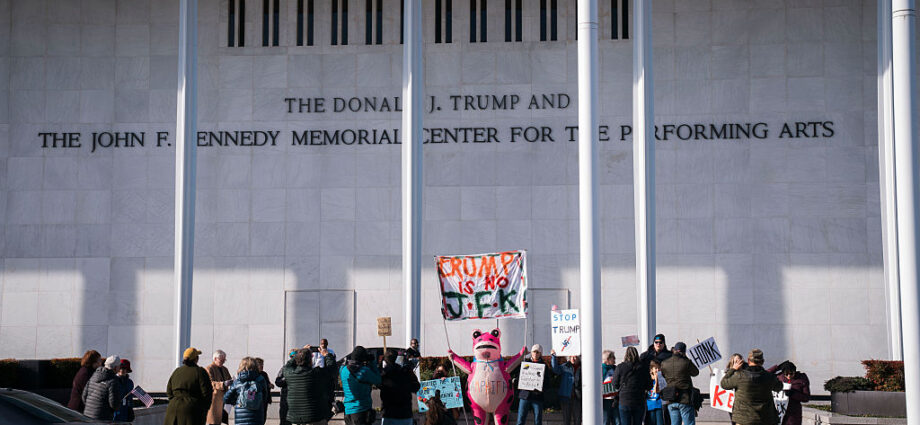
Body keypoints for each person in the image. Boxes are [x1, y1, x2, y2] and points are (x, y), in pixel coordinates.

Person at [720, 349, 783, 425]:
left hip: (743, 420)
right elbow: (779, 387)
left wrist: (733, 369)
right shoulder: (769, 376)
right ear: (762, 361)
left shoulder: (739, 376)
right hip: (766, 419)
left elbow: (724, 383)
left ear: (748, 361)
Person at [283, 347, 336, 425]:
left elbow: (287, 365)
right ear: (311, 361)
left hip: (296, 418)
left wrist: (298, 354)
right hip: (315, 417)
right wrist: (327, 355)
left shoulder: (290, 374)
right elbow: (332, 369)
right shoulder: (316, 374)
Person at [165, 348, 213, 425]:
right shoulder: (200, 372)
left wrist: (174, 401)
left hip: (173, 408)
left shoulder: (177, 371)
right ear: (196, 359)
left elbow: (169, 391)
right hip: (191, 409)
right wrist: (203, 408)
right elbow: (207, 393)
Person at [340, 346, 382, 425]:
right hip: (361, 410)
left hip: (348, 411)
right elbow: (378, 380)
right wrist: (372, 363)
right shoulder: (364, 371)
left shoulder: (343, 370)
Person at [660, 342, 700, 425]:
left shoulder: (664, 363)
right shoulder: (686, 362)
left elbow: (664, 375)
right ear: (683, 352)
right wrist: (686, 359)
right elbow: (695, 372)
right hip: (684, 398)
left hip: (671, 398)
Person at [380, 349, 422, 425]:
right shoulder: (405, 372)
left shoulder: (383, 374)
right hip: (404, 413)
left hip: (389, 414)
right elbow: (416, 386)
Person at [224, 357, 270, 425]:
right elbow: (265, 396)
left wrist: (237, 402)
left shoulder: (238, 381)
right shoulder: (261, 379)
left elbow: (226, 398)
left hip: (241, 417)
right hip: (257, 416)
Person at [612, 346, 652, 425]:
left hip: (624, 400)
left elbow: (614, 383)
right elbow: (649, 385)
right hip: (639, 400)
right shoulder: (643, 367)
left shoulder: (620, 367)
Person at [767, 361, 810, 425]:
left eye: (791, 373)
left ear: (795, 371)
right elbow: (765, 375)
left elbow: (806, 397)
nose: (789, 376)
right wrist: (777, 367)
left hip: (794, 413)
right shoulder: (779, 377)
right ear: (783, 373)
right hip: (779, 411)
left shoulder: (801, 379)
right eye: (786, 374)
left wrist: (793, 394)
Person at [516, 344, 548, 425]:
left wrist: (541, 388)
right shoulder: (525, 363)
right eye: (534, 352)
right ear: (531, 352)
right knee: (520, 419)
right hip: (525, 395)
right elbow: (519, 377)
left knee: (538, 420)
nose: (535, 354)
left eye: (538, 352)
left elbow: (548, 382)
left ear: (541, 353)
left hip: (537, 397)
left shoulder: (544, 366)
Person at [82, 355, 121, 420]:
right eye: (119, 366)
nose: (120, 368)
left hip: (87, 416)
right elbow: (114, 404)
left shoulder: (94, 375)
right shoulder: (113, 381)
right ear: (115, 367)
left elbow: (84, 396)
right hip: (102, 418)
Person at [551, 350, 582, 425]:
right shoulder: (565, 366)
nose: (573, 358)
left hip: (577, 397)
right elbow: (555, 369)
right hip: (566, 397)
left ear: (578, 358)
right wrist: (553, 357)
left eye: (575, 357)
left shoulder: (583, 368)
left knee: (577, 420)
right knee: (566, 420)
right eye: (571, 356)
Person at [205, 350, 232, 425]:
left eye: (224, 360)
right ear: (215, 359)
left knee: (222, 420)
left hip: (224, 399)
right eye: (221, 360)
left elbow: (228, 378)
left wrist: (231, 382)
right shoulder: (209, 368)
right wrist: (222, 384)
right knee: (213, 421)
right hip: (215, 399)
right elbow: (210, 383)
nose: (223, 362)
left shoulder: (224, 369)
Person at [275, 349, 298, 425]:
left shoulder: (302, 368)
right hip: (285, 398)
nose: (293, 358)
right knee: (284, 420)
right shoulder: (285, 368)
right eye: (291, 356)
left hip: (298, 399)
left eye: (294, 356)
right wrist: (287, 379)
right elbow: (277, 382)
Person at [724, 353, 747, 425]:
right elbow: (724, 383)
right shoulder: (729, 373)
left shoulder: (747, 372)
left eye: (738, 361)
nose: (737, 363)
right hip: (732, 403)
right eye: (735, 362)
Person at [646, 360, 667, 425]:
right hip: (650, 405)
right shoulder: (648, 380)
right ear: (651, 369)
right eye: (655, 368)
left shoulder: (662, 379)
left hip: (659, 404)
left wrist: (657, 379)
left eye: (659, 368)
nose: (657, 370)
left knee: (660, 422)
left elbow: (656, 390)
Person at [255, 358, 275, 424]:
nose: (262, 366)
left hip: (264, 399)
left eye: (262, 364)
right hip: (256, 400)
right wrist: (267, 385)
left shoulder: (264, 374)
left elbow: (267, 383)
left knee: (263, 418)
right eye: (260, 365)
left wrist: (270, 385)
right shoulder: (253, 374)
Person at [602, 350, 619, 425]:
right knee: (606, 421)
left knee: (617, 421)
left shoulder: (615, 368)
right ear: (607, 359)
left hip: (615, 398)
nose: (615, 359)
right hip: (605, 399)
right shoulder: (601, 369)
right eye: (613, 357)